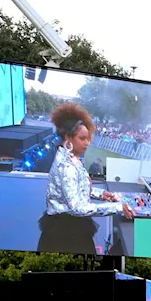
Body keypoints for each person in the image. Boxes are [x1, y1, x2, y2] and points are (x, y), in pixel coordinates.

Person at [40, 103, 135, 254]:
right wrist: (117, 207)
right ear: (68, 138)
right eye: (82, 138)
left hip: (70, 227)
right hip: (65, 236)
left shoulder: (72, 157)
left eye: (88, 138)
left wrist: (100, 194)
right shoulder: (67, 166)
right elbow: (77, 208)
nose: (87, 143)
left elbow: (78, 187)